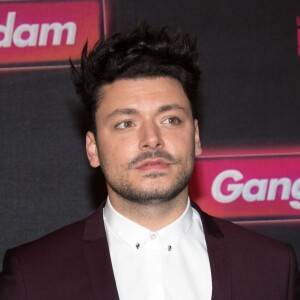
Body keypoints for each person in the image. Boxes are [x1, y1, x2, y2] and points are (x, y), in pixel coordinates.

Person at [0, 23, 299, 300]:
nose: (152, 138)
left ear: (195, 137)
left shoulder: (272, 268)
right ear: (93, 149)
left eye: (170, 119)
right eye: (125, 124)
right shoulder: (33, 276)